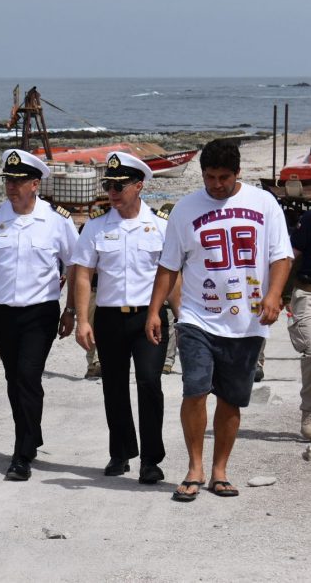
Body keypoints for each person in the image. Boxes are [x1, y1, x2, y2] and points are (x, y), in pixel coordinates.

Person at [145, 139, 292, 501]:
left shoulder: (264, 203)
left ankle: (219, 471)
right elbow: (168, 265)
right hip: (197, 316)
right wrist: (154, 311)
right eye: (209, 177)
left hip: (247, 320)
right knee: (195, 389)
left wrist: (273, 296)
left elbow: (282, 256)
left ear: (237, 173)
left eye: (224, 177)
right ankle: (194, 468)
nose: (216, 185)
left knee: (231, 398)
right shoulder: (185, 209)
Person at [0, 149, 78, 481]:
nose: (11, 187)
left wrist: (71, 309)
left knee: (28, 376)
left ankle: (22, 453)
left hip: (40, 312)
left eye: (18, 181)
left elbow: (75, 266)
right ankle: (32, 431)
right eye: (8, 181)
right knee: (14, 379)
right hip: (2, 312)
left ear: (35, 183)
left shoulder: (57, 219)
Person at [73, 152, 178, 484]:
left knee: (149, 383)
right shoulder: (95, 227)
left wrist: (184, 317)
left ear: (139, 186)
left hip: (150, 319)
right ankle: (120, 453)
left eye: (120, 186)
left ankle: (150, 460)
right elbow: (82, 276)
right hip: (109, 318)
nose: (113, 192)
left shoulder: (161, 226)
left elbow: (172, 276)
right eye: (109, 185)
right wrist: (82, 320)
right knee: (113, 386)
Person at [286, 209, 311, 440]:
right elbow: (291, 256)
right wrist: (281, 295)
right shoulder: (309, 218)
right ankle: (309, 413)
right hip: (307, 292)